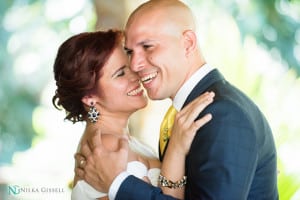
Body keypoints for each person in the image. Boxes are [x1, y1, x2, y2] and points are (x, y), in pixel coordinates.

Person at [75, 0, 279, 199]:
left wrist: (118, 184)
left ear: (188, 43)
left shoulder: (222, 115)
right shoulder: (192, 113)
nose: (135, 65)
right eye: (130, 52)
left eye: (148, 47)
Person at [52, 29, 214, 199]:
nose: (136, 75)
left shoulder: (118, 140)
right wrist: (177, 147)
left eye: (130, 65)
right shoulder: (108, 148)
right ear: (90, 97)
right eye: (120, 73)